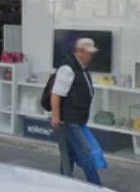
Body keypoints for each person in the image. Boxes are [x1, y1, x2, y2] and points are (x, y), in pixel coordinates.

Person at [51, 38, 102, 185]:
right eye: (88, 53)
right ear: (79, 52)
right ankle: (95, 185)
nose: (91, 56)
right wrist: (56, 117)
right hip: (70, 120)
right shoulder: (68, 69)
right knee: (86, 151)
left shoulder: (81, 68)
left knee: (69, 154)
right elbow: (56, 94)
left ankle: (63, 182)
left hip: (77, 119)